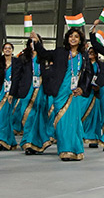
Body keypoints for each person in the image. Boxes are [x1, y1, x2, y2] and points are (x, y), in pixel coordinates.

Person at [37, 28, 93, 161]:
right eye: (71, 36)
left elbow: (88, 74)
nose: (73, 39)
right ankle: (64, 150)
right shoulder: (60, 52)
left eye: (76, 37)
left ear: (80, 40)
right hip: (61, 91)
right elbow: (44, 54)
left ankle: (75, 150)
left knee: (73, 121)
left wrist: (82, 88)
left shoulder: (83, 56)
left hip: (74, 93)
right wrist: (37, 42)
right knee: (61, 121)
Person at [11, 33, 52, 154]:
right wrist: (12, 93)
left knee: (39, 117)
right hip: (26, 91)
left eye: (36, 41)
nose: (33, 44)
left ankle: (36, 143)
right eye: (31, 42)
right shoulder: (23, 58)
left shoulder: (45, 58)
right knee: (28, 116)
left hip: (42, 91)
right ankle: (27, 142)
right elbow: (16, 76)